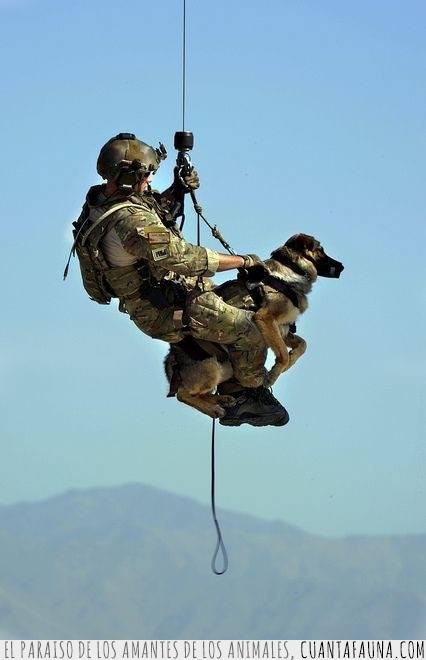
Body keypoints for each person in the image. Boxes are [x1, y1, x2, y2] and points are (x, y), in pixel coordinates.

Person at [73, 133, 288, 426]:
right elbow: (183, 257)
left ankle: (231, 380)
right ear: (127, 177)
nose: (150, 180)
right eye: (145, 175)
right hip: (165, 309)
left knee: (244, 302)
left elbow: (151, 213)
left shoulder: (101, 201)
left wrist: (178, 189)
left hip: (162, 299)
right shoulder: (129, 221)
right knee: (253, 330)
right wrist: (244, 261)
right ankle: (249, 394)